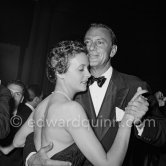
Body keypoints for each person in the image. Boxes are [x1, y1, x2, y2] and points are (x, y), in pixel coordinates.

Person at [25, 23, 166, 166]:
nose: (91, 48)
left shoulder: (135, 86)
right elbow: (35, 128)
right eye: (87, 42)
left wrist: (140, 123)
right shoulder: (70, 86)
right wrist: (31, 158)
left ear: (113, 50)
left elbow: (162, 131)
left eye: (99, 42)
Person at [0, 41, 148, 166]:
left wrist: (32, 157)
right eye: (81, 69)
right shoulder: (71, 109)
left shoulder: (42, 105)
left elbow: (17, 141)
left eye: (87, 68)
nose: (88, 74)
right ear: (60, 72)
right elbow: (109, 164)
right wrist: (127, 120)